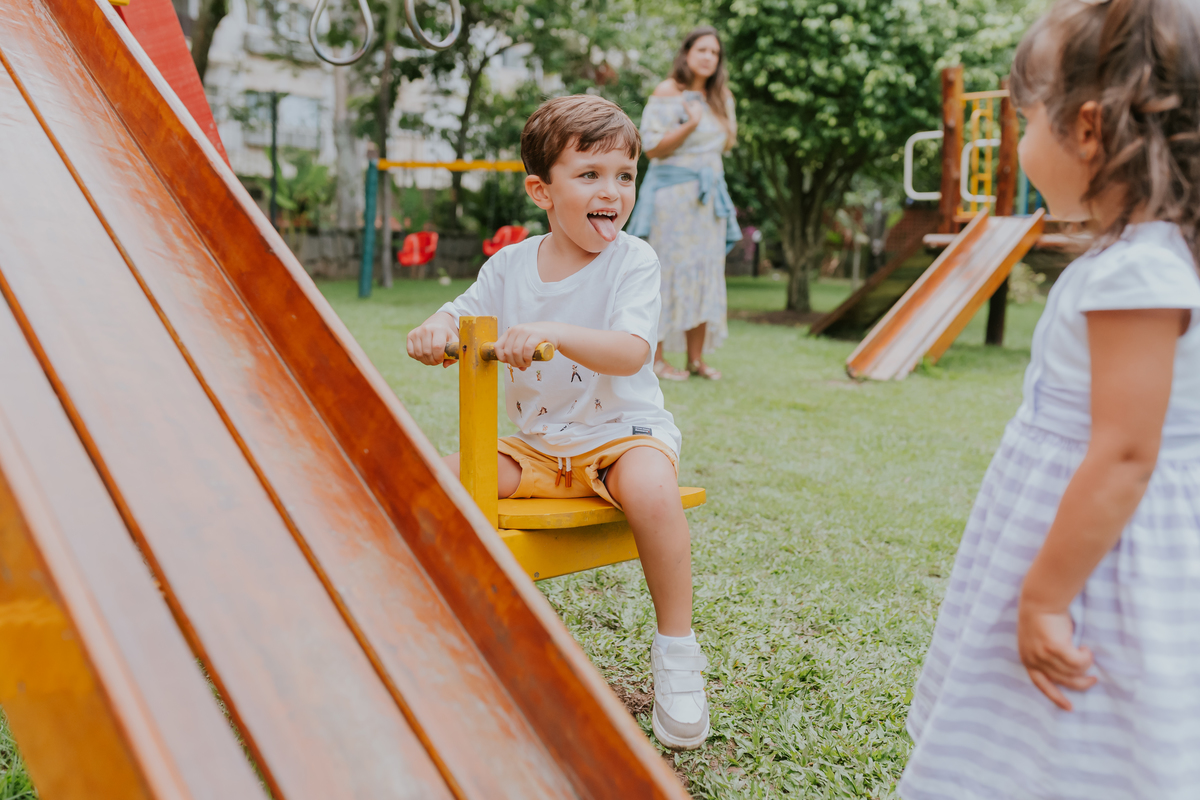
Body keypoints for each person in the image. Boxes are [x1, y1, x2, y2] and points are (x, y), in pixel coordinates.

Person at [900, 1, 1200, 797]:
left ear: (1088, 129)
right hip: (1080, 540)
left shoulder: (1140, 272)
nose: (1022, 142)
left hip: (1093, 563)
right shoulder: (1148, 257)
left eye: (1027, 121)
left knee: (1067, 731)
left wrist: (1043, 597)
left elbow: (1126, 453)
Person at [406, 95, 711, 751]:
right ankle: (436, 631)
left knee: (652, 489)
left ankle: (677, 650)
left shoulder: (633, 260)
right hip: (539, 447)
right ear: (541, 191)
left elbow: (630, 351)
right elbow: (461, 312)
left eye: (624, 175)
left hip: (620, 435)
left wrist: (555, 331)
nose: (612, 191)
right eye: (590, 174)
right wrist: (434, 328)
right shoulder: (509, 266)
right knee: (437, 483)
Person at [627, 26, 740, 381]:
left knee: (705, 272)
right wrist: (690, 124)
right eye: (702, 49)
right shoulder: (667, 92)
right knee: (667, 272)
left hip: (707, 202)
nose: (709, 57)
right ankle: (657, 359)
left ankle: (696, 359)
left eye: (715, 52)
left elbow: (728, 142)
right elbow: (652, 147)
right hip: (672, 200)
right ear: (687, 53)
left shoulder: (721, 96)